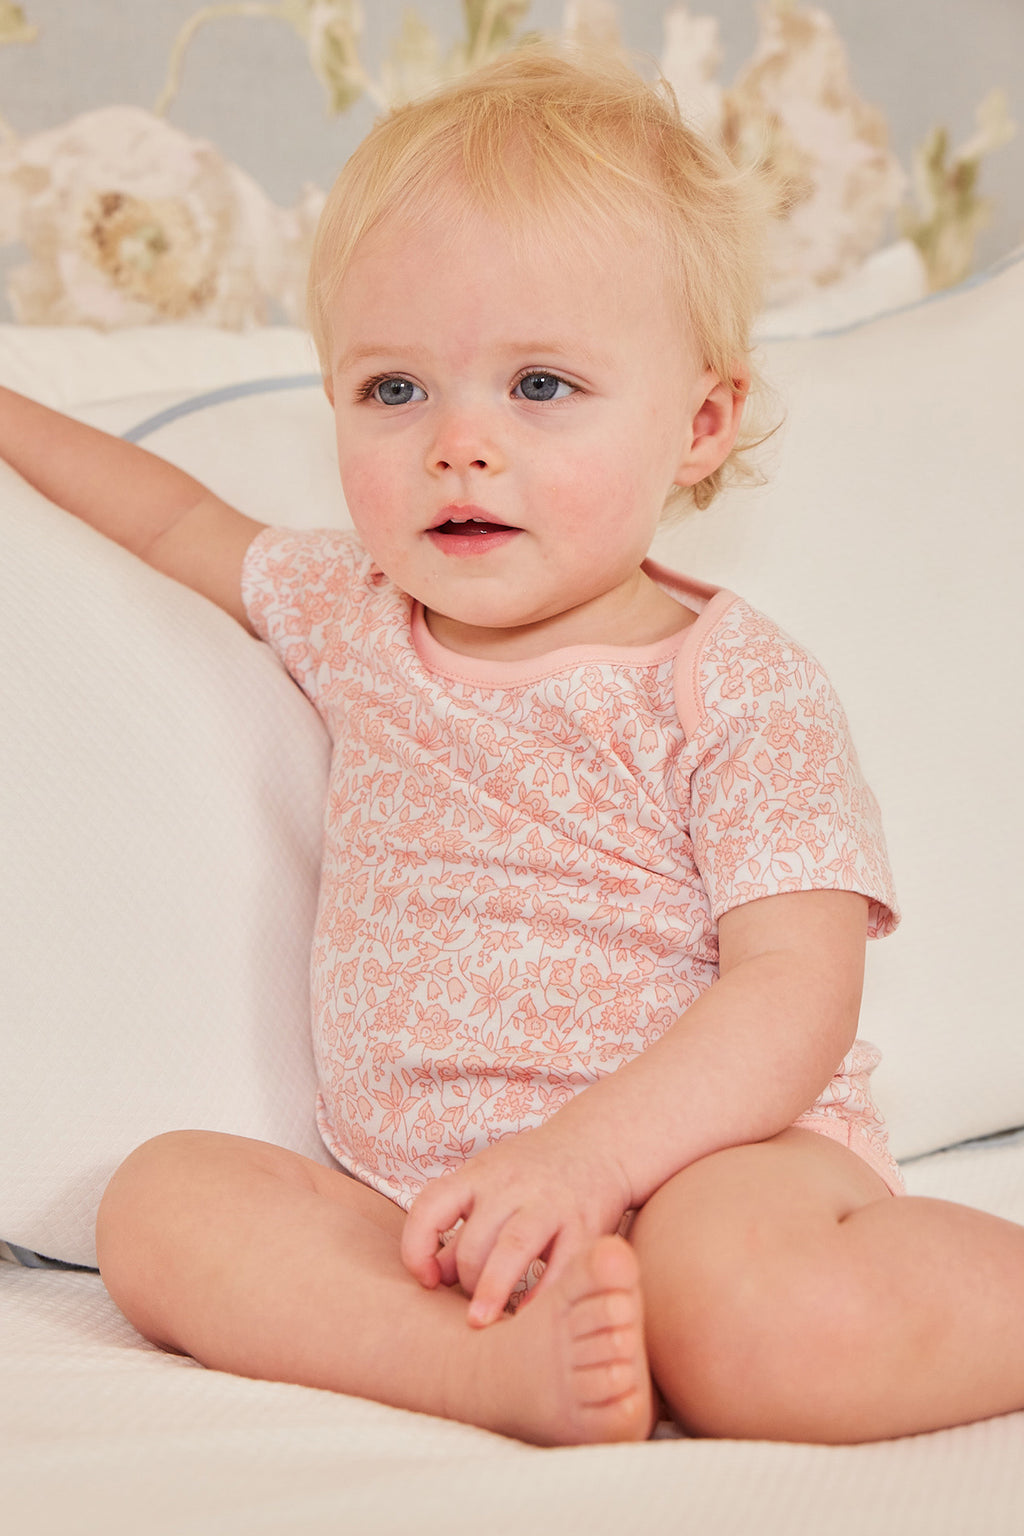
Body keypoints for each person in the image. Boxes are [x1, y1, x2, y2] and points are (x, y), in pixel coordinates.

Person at [6, 44, 1024, 1449]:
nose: (459, 445)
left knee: (749, 1322)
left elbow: (799, 992)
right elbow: (174, 518)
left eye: (539, 387)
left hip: (709, 1169)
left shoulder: (731, 686)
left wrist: (587, 1158)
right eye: (395, 390)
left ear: (700, 424)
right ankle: (480, 1369)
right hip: (411, 1198)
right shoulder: (351, 615)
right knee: (159, 1207)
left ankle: (699, 1325)